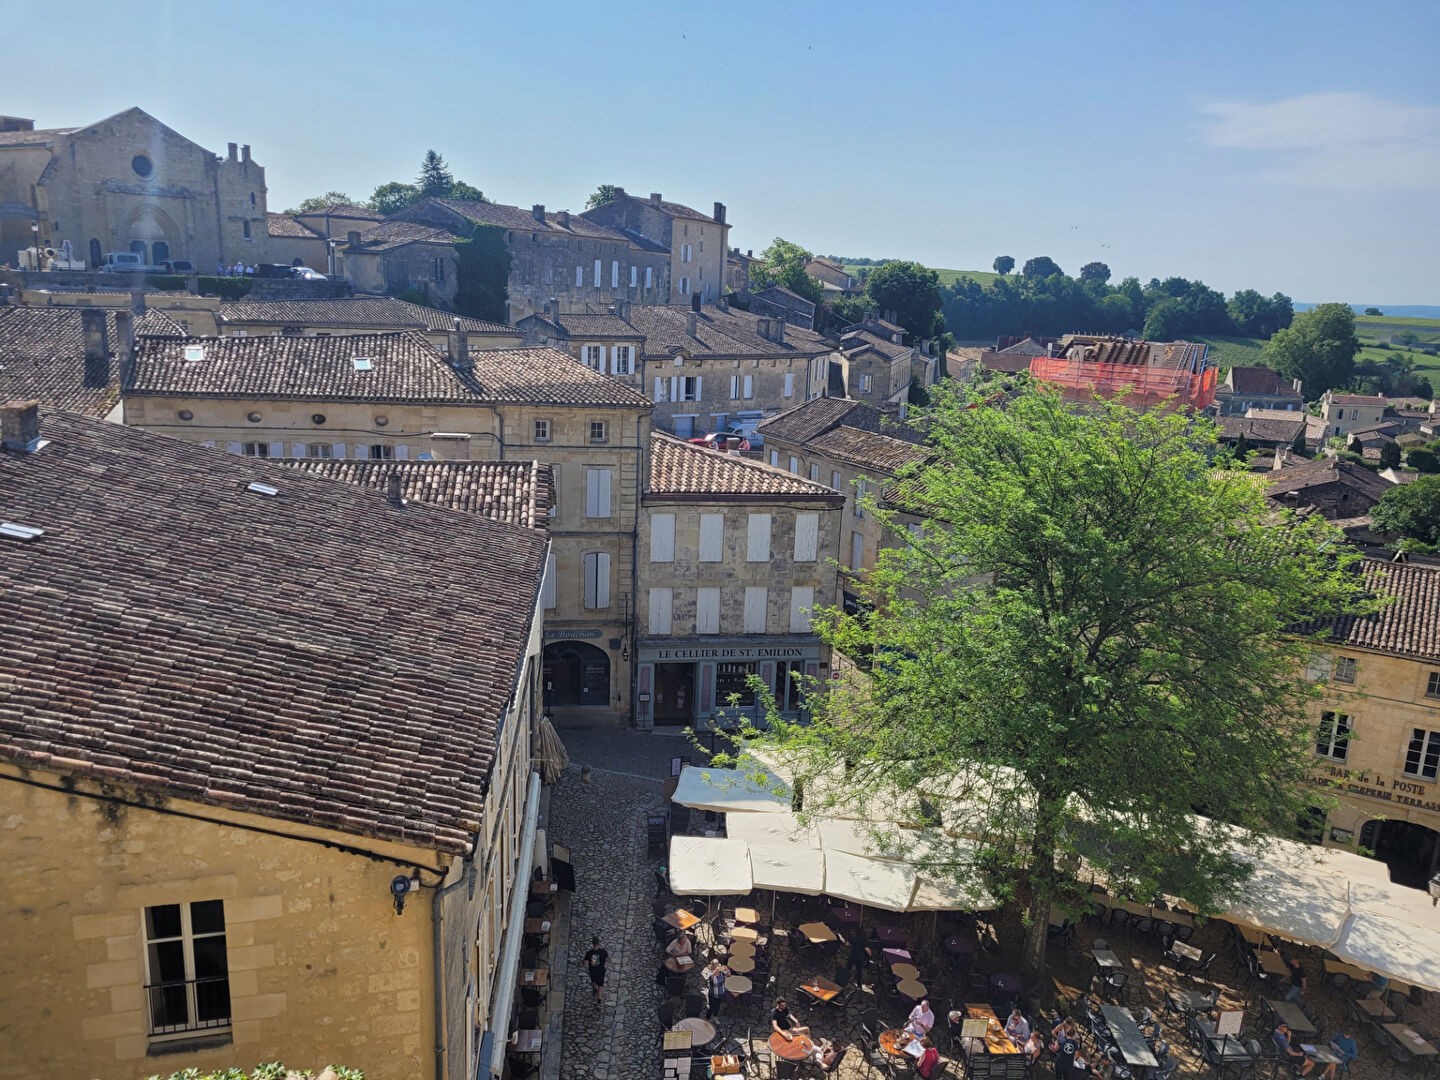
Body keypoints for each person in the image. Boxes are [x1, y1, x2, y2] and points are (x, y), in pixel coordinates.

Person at [582, 936, 608, 1003]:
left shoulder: (589, 953)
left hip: (593, 972)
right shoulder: (603, 951)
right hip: (601, 971)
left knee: (593, 981)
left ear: (592, 944)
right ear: (598, 943)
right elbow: (608, 959)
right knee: (600, 985)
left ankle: (595, 989)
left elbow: (585, 963)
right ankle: (599, 1000)